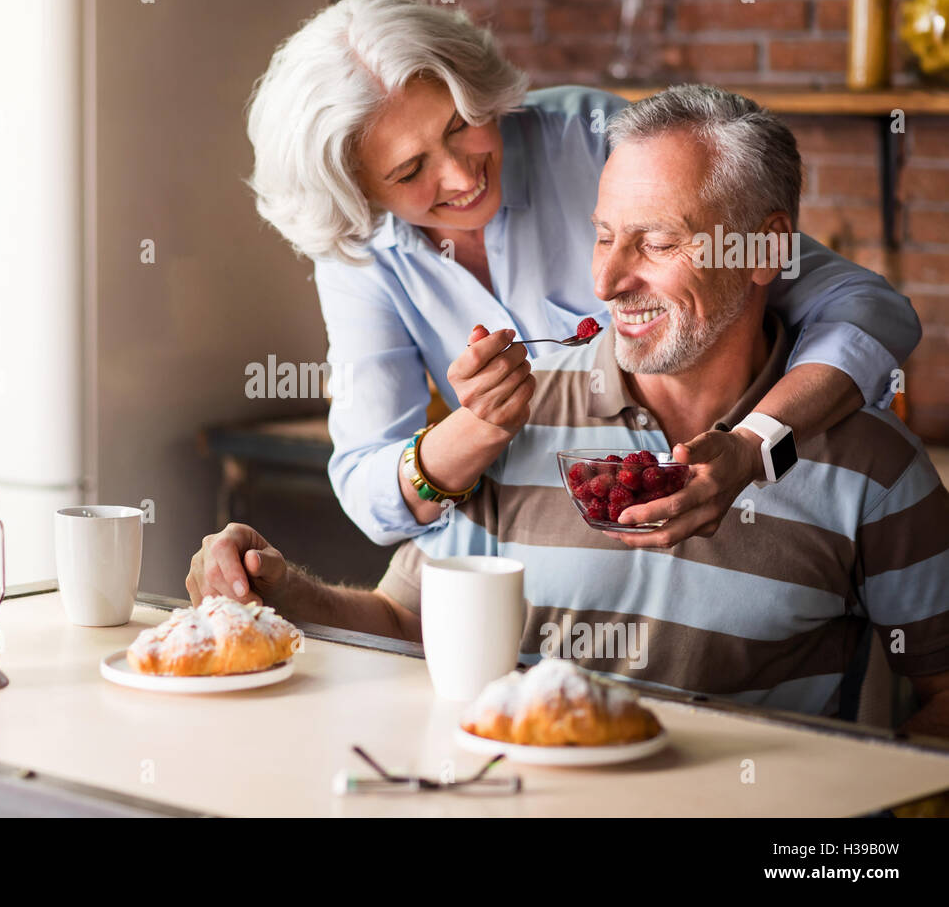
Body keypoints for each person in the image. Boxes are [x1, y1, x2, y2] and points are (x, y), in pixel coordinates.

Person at [196, 84, 949, 735]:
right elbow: (411, 625)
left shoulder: (874, 467)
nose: (609, 280)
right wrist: (278, 588)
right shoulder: (512, 417)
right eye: (602, 236)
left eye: (655, 242)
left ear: (764, 251)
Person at [245, 0, 921, 555]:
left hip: (721, 534)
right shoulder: (361, 248)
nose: (460, 173)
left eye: (460, 125)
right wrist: (474, 429)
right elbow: (372, 492)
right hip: (520, 564)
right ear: (359, 194)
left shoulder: (598, 141)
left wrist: (753, 447)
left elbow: (872, 311)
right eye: (409, 171)